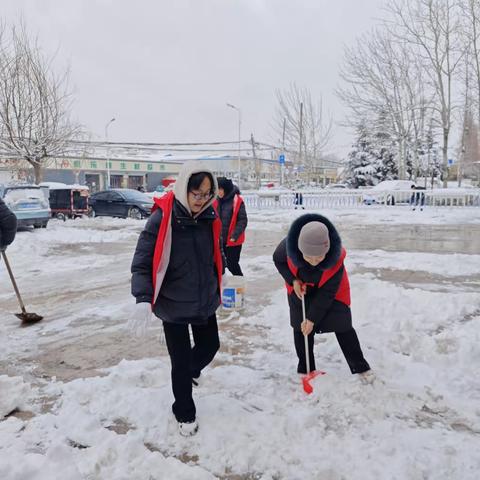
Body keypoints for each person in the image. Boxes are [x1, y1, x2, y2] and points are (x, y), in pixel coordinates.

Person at [129, 161, 223, 437]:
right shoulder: (162, 218)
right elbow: (142, 262)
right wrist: (143, 298)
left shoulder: (210, 216)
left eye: (208, 194)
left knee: (210, 346)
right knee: (180, 362)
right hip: (172, 304)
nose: (202, 200)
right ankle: (184, 412)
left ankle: (188, 373)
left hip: (204, 298)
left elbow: (216, 251)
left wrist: (222, 275)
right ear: (184, 189)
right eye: (197, 194)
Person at [273, 213, 373, 383]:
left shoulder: (336, 259)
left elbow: (326, 295)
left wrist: (312, 318)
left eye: (319, 257)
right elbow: (278, 260)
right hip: (300, 289)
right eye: (308, 256)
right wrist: (293, 280)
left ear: (327, 251)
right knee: (301, 327)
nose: (313, 261)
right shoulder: (288, 246)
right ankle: (306, 370)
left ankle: (360, 367)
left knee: (343, 326)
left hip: (331, 292)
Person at [215, 177, 248, 276]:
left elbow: (242, 220)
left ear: (226, 188)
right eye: (216, 189)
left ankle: (240, 283)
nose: (218, 192)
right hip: (220, 240)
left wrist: (234, 236)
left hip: (233, 240)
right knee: (219, 264)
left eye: (220, 189)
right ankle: (220, 286)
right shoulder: (215, 200)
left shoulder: (237, 201)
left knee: (232, 264)